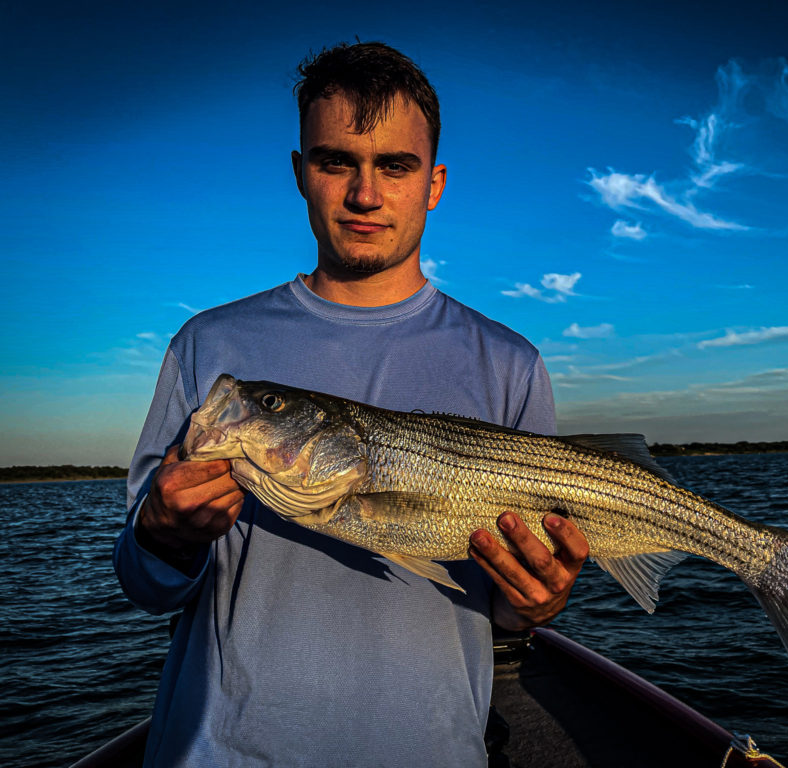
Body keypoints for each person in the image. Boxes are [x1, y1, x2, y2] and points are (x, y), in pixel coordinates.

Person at [114, 41, 589, 767]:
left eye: (393, 166)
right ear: (301, 174)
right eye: (337, 162)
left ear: (433, 183)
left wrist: (535, 600)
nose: (365, 195)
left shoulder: (511, 364)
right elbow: (145, 586)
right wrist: (161, 533)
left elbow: (505, 606)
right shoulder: (209, 347)